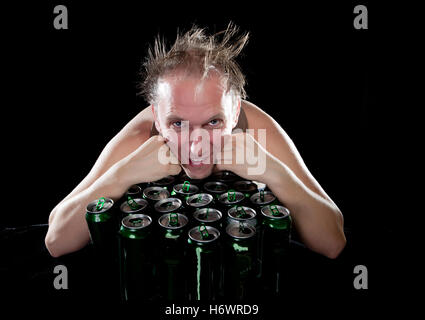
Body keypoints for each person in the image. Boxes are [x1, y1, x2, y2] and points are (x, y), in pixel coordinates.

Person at [45, 23, 346, 259]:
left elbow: (332, 241)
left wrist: (273, 171)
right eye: (178, 124)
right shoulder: (140, 136)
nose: (197, 147)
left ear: (236, 108)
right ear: (156, 114)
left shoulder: (256, 128)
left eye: (213, 122)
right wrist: (123, 174)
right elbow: (57, 239)